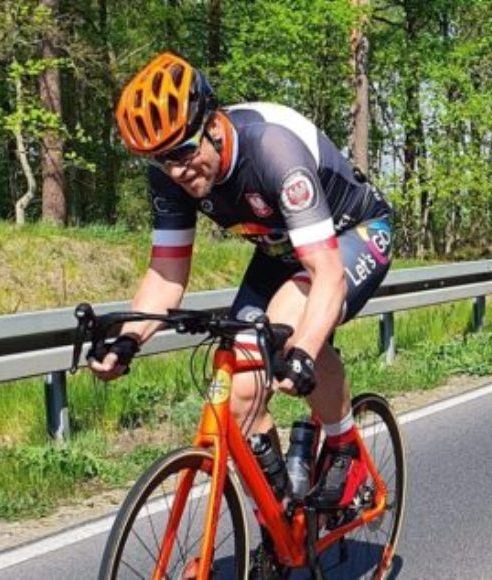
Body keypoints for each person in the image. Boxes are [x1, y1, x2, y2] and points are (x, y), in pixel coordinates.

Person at [90, 52, 393, 509]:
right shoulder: (171, 176)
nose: (177, 171)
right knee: (238, 394)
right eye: (160, 160)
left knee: (282, 335)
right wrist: (129, 338)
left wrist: (303, 354)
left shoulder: (272, 150)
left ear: (213, 124)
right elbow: (167, 271)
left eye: (183, 152)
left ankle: (344, 446)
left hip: (352, 235)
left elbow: (326, 275)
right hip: (279, 249)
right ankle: (280, 517)